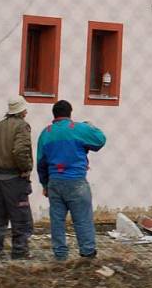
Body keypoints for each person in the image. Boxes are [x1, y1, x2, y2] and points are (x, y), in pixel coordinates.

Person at [37, 100, 106, 261]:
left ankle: (60, 255)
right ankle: (87, 253)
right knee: (82, 219)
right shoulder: (78, 129)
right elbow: (100, 140)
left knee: (57, 221)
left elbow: (41, 163)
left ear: (54, 115)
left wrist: (44, 184)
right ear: (70, 113)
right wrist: (91, 126)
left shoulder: (46, 133)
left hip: (54, 182)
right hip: (76, 181)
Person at [0, 96, 34, 259]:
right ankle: (20, 251)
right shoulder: (22, 126)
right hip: (14, 179)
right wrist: (26, 168)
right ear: (22, 111)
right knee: (21, 215)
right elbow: (20, 151)